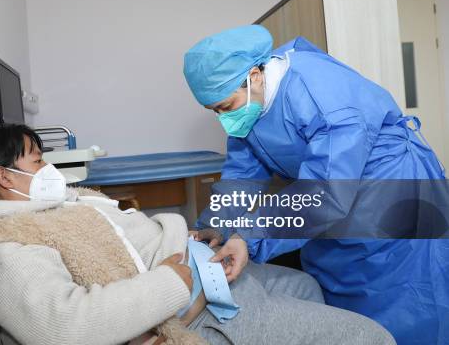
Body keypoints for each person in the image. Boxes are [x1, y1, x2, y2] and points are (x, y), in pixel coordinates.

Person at [0, 124, 393, 345]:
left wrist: (195, 238)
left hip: (201, 267)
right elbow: (65, 325)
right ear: (3, 175)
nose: (50, 170)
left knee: (305, 284)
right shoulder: (8, 247)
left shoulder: (66, 204)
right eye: (38, 162)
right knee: (370, 337)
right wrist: (174, 280)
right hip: (194, 303)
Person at [183, 24, 449, 344]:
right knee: (337, 298)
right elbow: (242, 175)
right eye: (214, 111)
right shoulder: (249, 108)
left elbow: (325, 191)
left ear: (254, 75)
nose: (223, 118)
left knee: (400, 302)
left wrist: (250, 236)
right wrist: (217, 224)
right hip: (325, 202)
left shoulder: (322, 93)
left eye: (225, 106)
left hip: (391, 200)